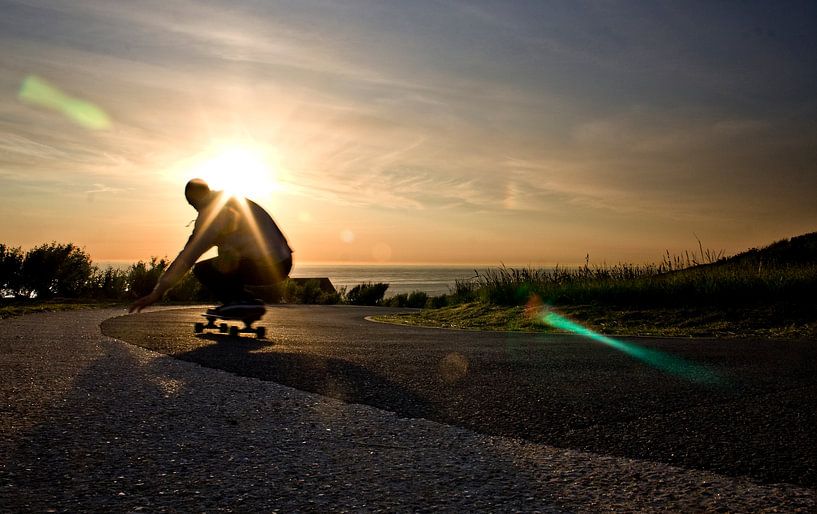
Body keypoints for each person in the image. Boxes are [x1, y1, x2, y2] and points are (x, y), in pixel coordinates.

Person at [129, 178, 292, 316]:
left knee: (203, 270)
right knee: (226, 256)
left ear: (194, 199)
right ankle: (244, 301)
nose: (195, 209)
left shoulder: (211, 215)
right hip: (284, 262)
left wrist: (158, 291)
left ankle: (240, 301)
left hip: (265, 266)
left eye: (192, 204)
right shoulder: (231, 199)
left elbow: (187, 257)